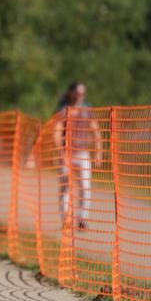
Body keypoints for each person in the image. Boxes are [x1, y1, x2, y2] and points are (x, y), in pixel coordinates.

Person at [53, 81, 101, 230]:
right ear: (71, 93)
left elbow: (96, 132)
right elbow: (56, 131)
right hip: (66, 153)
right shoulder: (63, 109)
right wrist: (60, 153)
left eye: (83, 93)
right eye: (78, 93)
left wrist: (99, 152)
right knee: (65, 186)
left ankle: (82, 219)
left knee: (85, 186)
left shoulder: (87, 109)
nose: (80, 96)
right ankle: (65, 219)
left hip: (82, 153)